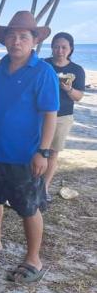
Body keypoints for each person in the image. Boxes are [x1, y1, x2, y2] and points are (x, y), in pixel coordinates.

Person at [0, 11, 59, 283]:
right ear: (4, 40)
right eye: (12, 36)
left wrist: (43, 151)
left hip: (25, 156)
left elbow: (51, 113)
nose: (17, 41)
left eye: (23, 36)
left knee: (28, 207)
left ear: (34, 40)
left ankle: (33, 259)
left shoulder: (43, 72)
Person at [43, 32, 85, 200]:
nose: (59, 50)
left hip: (63, 117)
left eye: (64, 47)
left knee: (52, 153)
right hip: (40, 114)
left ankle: (44, 188)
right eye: (56, 46)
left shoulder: (76, 70)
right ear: (52, 48)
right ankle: (28, 184)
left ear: (70, 49)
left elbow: (79, 97)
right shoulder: (44, 65)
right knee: (33, 150)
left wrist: (67, 88)